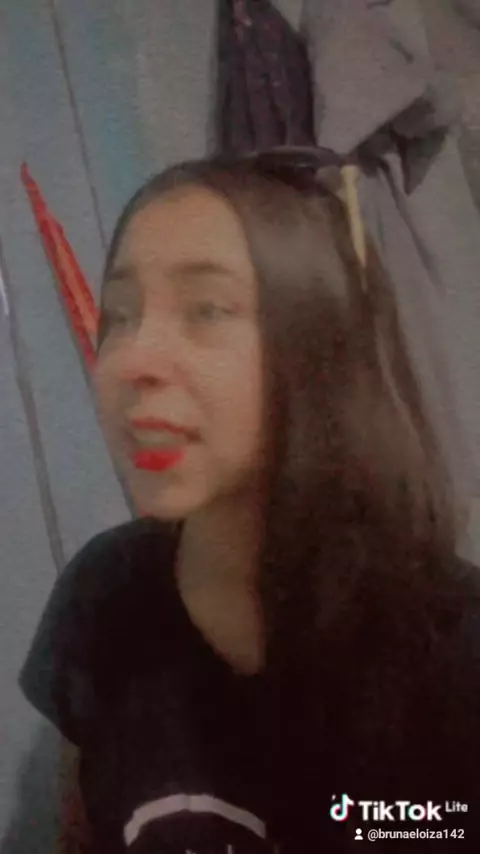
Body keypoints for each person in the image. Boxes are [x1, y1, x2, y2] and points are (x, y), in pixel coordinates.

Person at [20, 149, 480, 853]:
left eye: (206, 309)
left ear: (322, 341)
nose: (131, 359)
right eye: (120, 314)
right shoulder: (105, 597)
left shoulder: (456, 650)